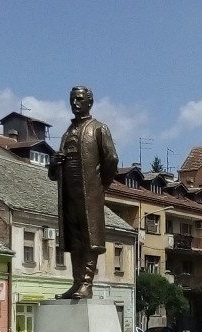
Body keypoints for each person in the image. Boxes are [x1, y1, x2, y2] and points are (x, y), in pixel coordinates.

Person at [47, 85, 119, 300]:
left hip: (90, 193)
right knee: (74, 239)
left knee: (89, 238)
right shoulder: (67, 133)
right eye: (72, 100)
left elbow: (111, 158)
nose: (75, 103)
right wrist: (54, 164)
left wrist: (101, 185)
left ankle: (86, 283)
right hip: (69, 193)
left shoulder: (98, 129)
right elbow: (53, 174)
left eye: (79, 99)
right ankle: (77, 282)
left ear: (90, 102)